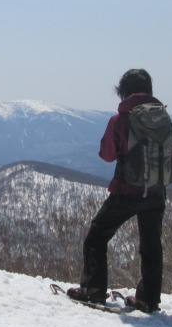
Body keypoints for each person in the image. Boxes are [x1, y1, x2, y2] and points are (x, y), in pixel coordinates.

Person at [67, 69, 166, 313]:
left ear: (124, 91)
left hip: (127, 192)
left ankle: (93, 289)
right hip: (156, 192)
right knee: (151, 245)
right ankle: (148, 299)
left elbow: (107, 155)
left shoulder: (120, 120)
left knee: (97, 236)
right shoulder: (162, 117)